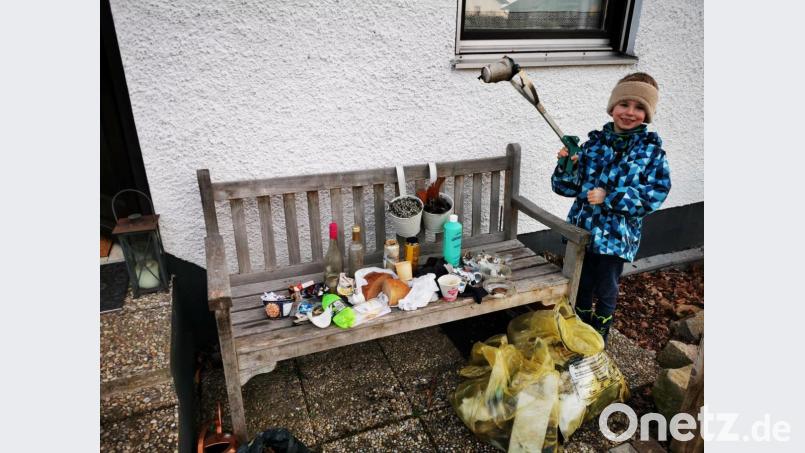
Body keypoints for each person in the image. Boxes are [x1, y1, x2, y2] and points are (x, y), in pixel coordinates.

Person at [551, 72, 671, 343]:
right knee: (580, 283)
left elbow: (654, 196)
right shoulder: (593, 145)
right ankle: (579, 331)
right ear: (612, 107)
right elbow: (566, 188)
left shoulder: (650, 153)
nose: (630, 112)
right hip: (583, 230)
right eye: (624, 104)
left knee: (606, 287)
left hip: (616, 238)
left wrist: (610, 197)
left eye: (640, 107)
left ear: (648, 114)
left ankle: (599, 335)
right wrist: (566, 166)